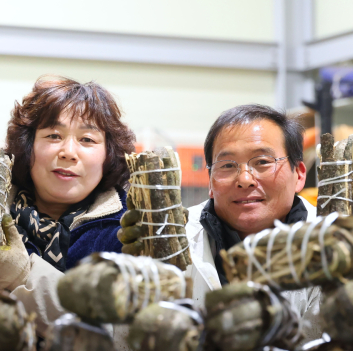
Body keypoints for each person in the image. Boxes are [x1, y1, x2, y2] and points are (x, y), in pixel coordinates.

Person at [0, 76, 136, 334]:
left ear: (108, 155)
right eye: (54, 135)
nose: (69, 152)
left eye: (87, 139)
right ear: (28, 146)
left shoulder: (129, 234)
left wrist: (23, 277)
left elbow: (116, 335)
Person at [119, 104, 322, 338]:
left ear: (299, 174)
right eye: (227, 165)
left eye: (262, 162)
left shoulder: (334, 240)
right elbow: (134, 346)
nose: (245, 179)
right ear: (210, 182)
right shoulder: (173, 236)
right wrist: (140, 280)